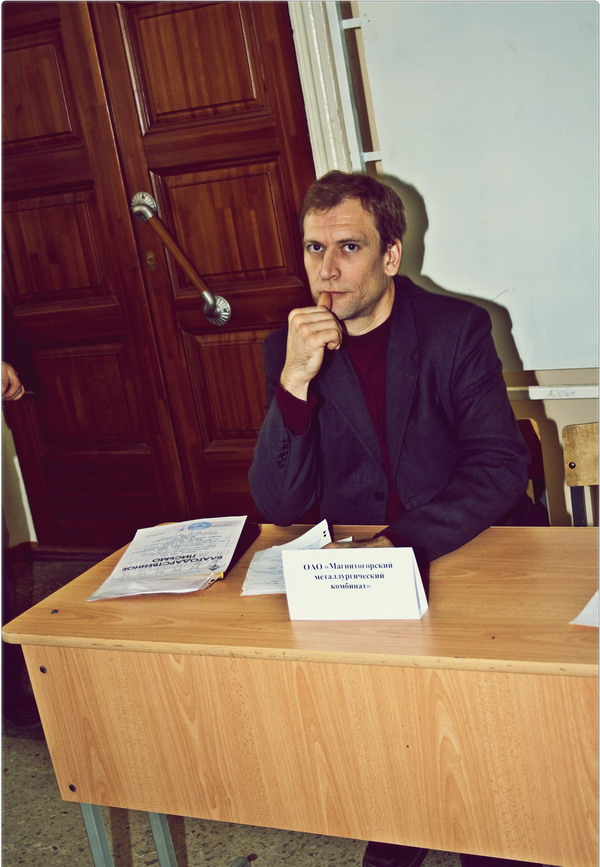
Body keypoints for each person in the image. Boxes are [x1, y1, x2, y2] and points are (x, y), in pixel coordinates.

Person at [249, 171, 546, 867]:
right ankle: (407, 809)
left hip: (471, 549)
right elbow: (280, 504)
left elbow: (499, 465)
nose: (327, 269)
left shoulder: (456, 329)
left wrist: (398, 543)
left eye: (348, 247)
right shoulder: (288, 349)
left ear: (390, 254)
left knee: (487, 745)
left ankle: (494, 829)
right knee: (389, 728)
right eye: (314, 248)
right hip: (364, 580)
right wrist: (294, 382)